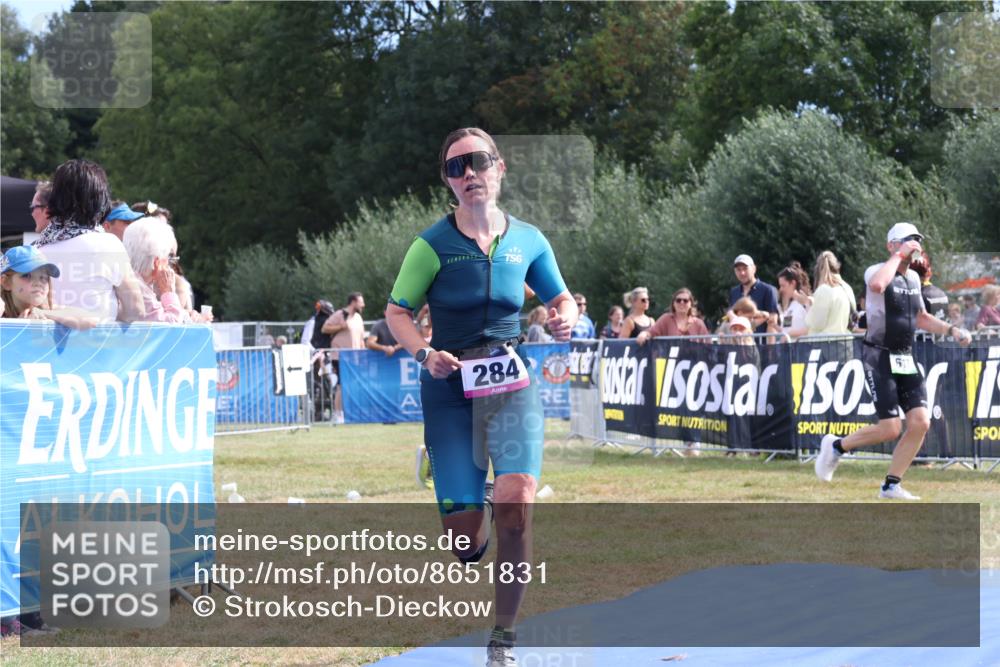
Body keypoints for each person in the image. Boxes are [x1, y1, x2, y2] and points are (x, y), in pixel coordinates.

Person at [385, 127, 576, 667]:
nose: (469, 173)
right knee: (466, 546)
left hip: (510, 384)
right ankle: (460, 481)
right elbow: (397, 312)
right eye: (456, 167)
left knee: (518, 506)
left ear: (499, 168)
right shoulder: (431, 245)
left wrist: (567, 317)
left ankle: (504, 639)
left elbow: (563, 297)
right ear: (448, 182)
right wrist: (425, 354)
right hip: (448, 388)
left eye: (478, 162)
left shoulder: (529, 240)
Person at [814, 223, 972, 499]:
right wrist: (898, 256)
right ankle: (837, 446)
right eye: (907, 240)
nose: (914, 245)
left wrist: (951, 330)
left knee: (921, 422)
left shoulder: (913, 280)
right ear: (891, 245)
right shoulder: (876, 271)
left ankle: (891, 484)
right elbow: (877, 285)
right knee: (890, 428)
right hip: (879, 356)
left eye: (916, 241)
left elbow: (921, 318)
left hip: (905, 356)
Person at [33, 160, 144, 323]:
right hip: (96, 345)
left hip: (44, 345)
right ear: (100, 200)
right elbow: (136, 311)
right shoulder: (108, 245)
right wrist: (109, 317)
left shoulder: (35, 249)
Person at [1, 246, 99, 329]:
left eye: (43, 277)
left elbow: (92, 320)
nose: (38, 283)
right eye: (27, 276)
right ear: (5, 282)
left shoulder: (50, 311)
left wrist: (44, 313)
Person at [122, 217, 189, 323]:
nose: (169, 264)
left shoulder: (132, 280)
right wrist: (168, 292)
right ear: (157, 262)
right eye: (168, 257)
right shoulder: (139, 289)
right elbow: (173, 326)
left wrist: (187, 315)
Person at [322, 292, 366, 423]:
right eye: (360, 302)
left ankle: (350, 412)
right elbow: (324, 328)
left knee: (352, 385)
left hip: (355, 357)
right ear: (353, 302)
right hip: (340, 356)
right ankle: (338, 414)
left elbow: (361, 338)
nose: (363, 305)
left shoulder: (358, 317)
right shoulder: (340, 314)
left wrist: (363, 354)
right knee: (342, 385)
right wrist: (341, 326)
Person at [805, 250, 855, 336]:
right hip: (845, 342)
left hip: (825, 344)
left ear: (819, 269)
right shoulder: (847, 288)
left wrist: (808, 306)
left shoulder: (823, 289)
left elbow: (817, 323)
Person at [637, 287, 709, 344]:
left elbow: (708, 345)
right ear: (673, 303)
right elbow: (651, 332)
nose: (682, 302)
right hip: (671, 361)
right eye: (678, 300)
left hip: (693, 361)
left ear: (691, 304)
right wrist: (644, 334)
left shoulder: (699, 323)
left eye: (685, 300)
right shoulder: (666, 319)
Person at [729, 254, 778, 334]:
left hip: (761, 344)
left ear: (754, 269)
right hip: (740, 344)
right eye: (738, 269)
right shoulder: (734, 292)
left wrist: (770, 346)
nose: (742, 273)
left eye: (745, 268)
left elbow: (772, 320)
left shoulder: (768, 290)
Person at [909, 252, 949, 326]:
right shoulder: (942, 293)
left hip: (920, 337)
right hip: (940, 336)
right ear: (929, 271)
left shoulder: (915, 295)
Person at [774, 262, 811, 340]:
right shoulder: (791, 306)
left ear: (793, 283)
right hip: (790, 349)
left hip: (803, 348)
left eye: (783, 286)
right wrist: (773, 325)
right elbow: (787, 330)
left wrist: (788, 334)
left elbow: (811, 329)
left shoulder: (806, 302)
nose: (781, 289)